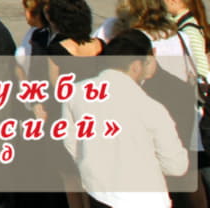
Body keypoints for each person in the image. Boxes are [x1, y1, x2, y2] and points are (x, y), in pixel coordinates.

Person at [62, 28, 191, 206]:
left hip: (98, 192)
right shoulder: (151, 108)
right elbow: (176, 166)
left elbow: (70, 141)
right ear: (136, 66)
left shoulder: (75, 93)